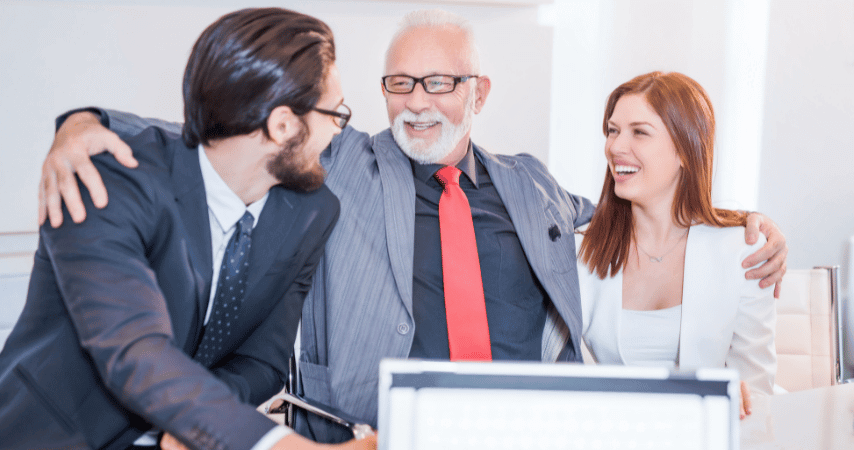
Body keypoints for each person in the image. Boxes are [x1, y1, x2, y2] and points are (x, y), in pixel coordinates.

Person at [36, 9, 788, 444]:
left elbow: (631, 215)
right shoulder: (342, 165)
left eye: (438, 83)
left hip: (525, 430)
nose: (416, 103)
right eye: (399, 83)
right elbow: (236, 128)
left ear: (478, 91)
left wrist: (742, 223)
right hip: (383, 432)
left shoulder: (531, 185)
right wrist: (85, 122)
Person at [0, 8, 376, 450]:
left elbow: (262, 361)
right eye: (335, 114)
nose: (337, 131)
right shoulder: (107, 182)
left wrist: (200, 422)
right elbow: (135, 352)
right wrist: (278, 445)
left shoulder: (312, 210)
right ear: (283, 125)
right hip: (54, 435)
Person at [577, 72, 775, 418]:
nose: (616, 146)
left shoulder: (742, 250)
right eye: (613, 130)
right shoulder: (580, 249)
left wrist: (738, 398)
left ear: (686, 149)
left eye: (639, 132)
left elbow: (756, 390)